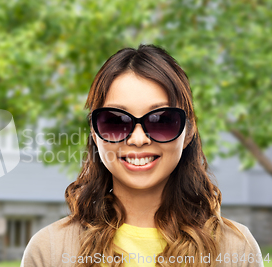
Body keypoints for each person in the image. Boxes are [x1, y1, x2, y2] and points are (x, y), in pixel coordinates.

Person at [21, 44, 264, 267]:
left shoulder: (237, 250)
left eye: (162, 120)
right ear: (95, 133)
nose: (138, 139)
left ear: (188, 131)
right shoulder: (49, 251)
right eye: (116, 121)